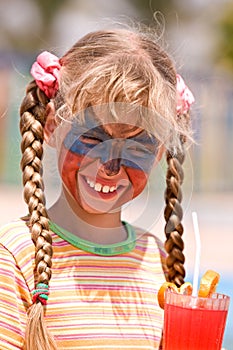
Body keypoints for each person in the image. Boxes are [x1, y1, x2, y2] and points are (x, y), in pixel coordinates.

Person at [0, 27, 194, 350]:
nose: (110, 166)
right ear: (51, 126)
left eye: (136, 146)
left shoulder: (160, 262)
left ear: (159, 152)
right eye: (91, 137)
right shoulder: (15, 258)